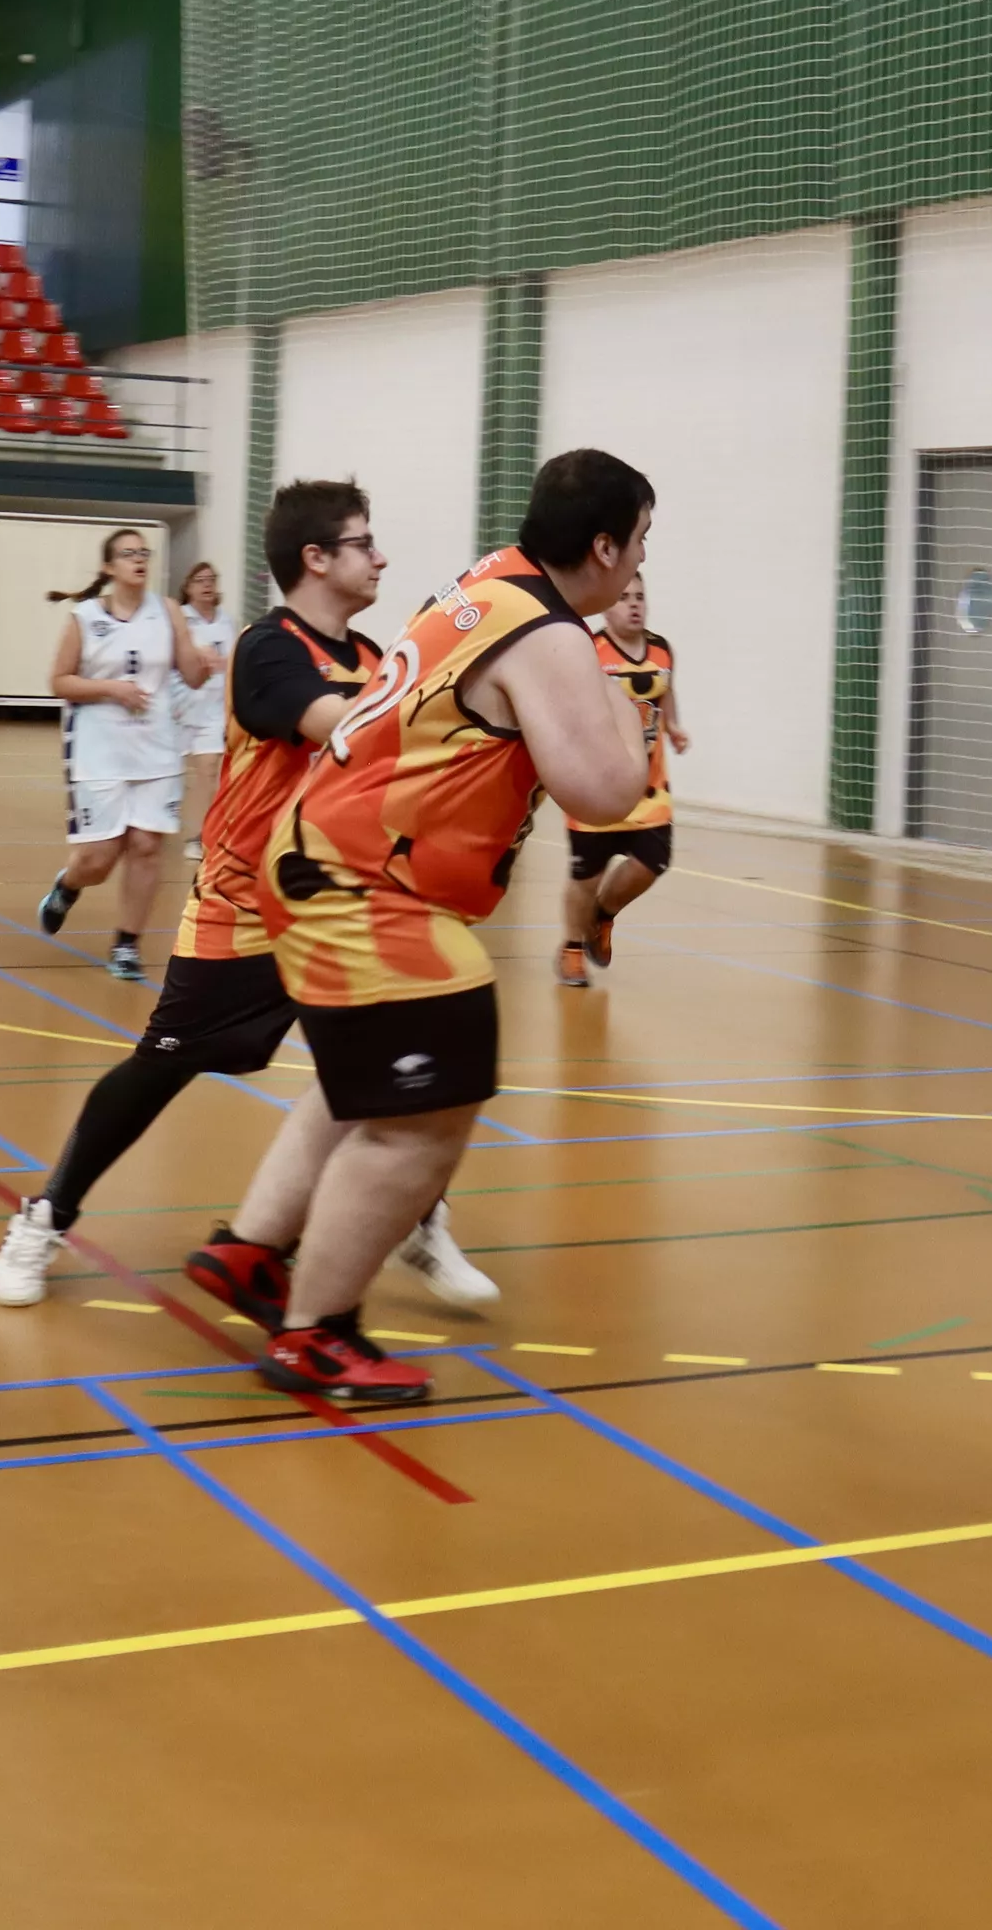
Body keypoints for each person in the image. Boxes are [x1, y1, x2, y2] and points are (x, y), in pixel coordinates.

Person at [187, 450, 653, 1406]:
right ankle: (316, 1334)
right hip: (361, 880)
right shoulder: (557, 635)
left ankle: (250, 1253)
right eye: (639, 543)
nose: (643, 565)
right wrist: (623, 684)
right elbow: (606, 795)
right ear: (602, 547)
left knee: (364, 1085)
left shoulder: (491, 577)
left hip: (324, 855)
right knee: (430, 1107)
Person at [0, 484, 496, 1314]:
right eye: (365, 543)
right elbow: (345, 729)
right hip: (245, 904)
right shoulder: (268, 649)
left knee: (388, 1070)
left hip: (338, 904)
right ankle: (44, 1216)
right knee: (164, 1064)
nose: (382, 558)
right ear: (316, 559)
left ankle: (415, 1215)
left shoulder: (372, 658)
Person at [32, 527, 211, 984]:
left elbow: (190, 676)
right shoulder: (85, 617)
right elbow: (60, 682)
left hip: (157, 748)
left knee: (148, 847)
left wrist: (201, 658)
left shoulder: (168, 611)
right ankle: (68, 885)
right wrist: (110, 688)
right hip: (99, 748)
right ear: (109, 567)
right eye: (128, 554)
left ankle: (126, 944)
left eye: (144, 553)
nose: (139, 560)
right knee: (100, 856)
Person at [556, 571, 684, 989]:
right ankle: (572, 950)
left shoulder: (662, 650)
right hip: (597, 786)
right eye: (624, 596)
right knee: (586, 876)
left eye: (640, 596)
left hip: (648, 789)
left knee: (653, 860)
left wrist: (675, 726)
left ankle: (602, 916)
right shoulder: (589, 651)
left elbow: (664, 692)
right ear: (607, 604)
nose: (633, 604)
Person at [169, 557, 229, 854]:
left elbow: (232, 662)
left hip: (213, 711)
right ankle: (156, 826)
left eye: (211, 579)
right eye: (200, 580)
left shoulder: (227, 621)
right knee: (171, 776)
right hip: (178, 708)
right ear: (188, 587)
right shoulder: (178, 618)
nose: (207, 585)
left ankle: (201, 836)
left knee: (208, 771)